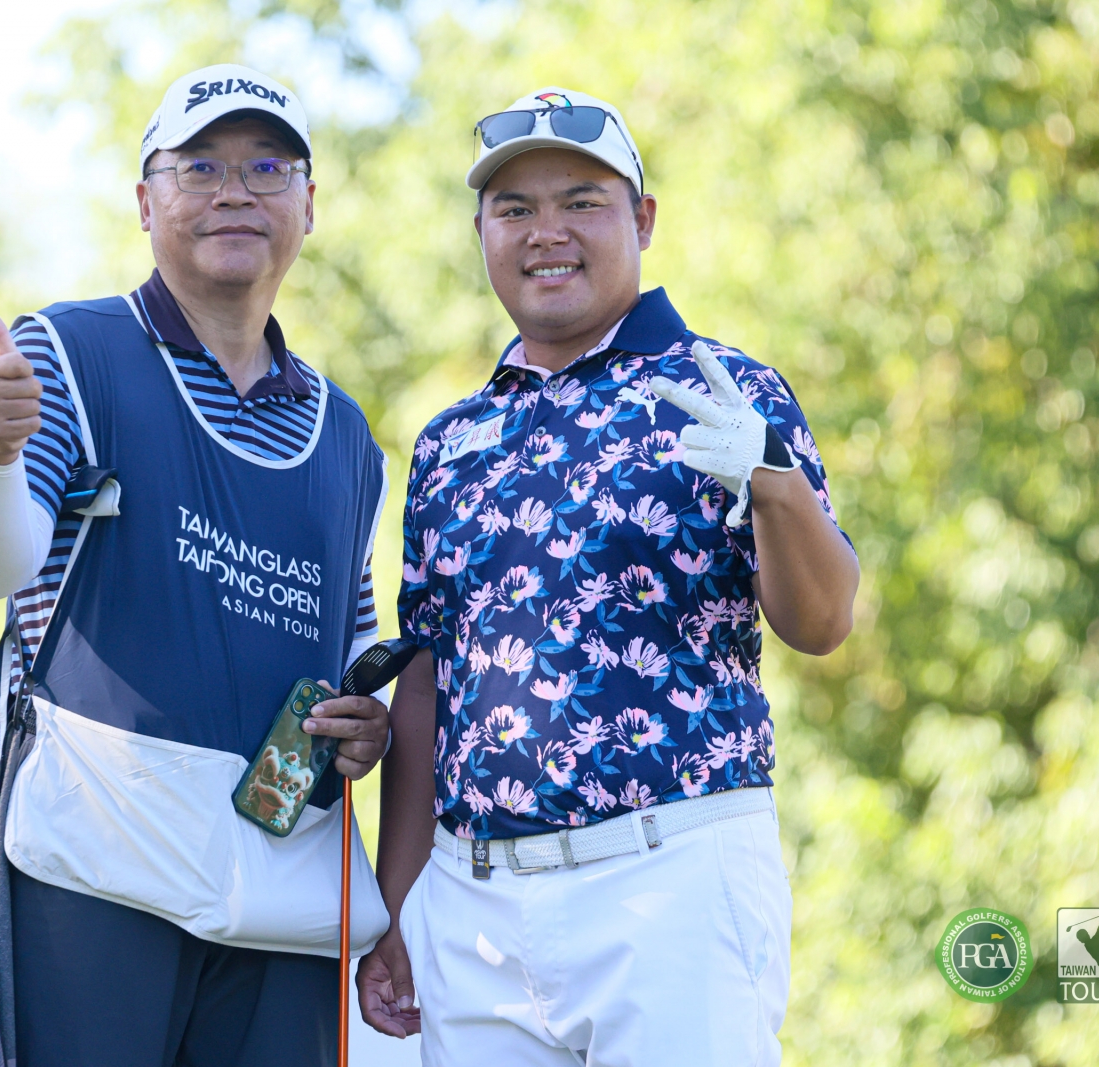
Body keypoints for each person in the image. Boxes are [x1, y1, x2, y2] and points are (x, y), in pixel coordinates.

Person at [357, 88, 860, 1066]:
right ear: (481, 232)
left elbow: (824, 619)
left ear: (641, 218)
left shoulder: (725, 390)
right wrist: (397, 900)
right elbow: (428, 680)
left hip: (668, 880)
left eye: (581, 201)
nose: (546, 232)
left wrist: (773, 484)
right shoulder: (451, 441)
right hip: (475, 905)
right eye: (514, 209)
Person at [0, 65, 393, 1067]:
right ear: (146, 200)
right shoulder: (65, 351)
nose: (233, 190)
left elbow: (352, 639)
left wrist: (367, 725)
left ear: (309, 206)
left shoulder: (346, 435)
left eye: (266, 166)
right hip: (94, 860)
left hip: (277, 881)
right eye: (199, 166)